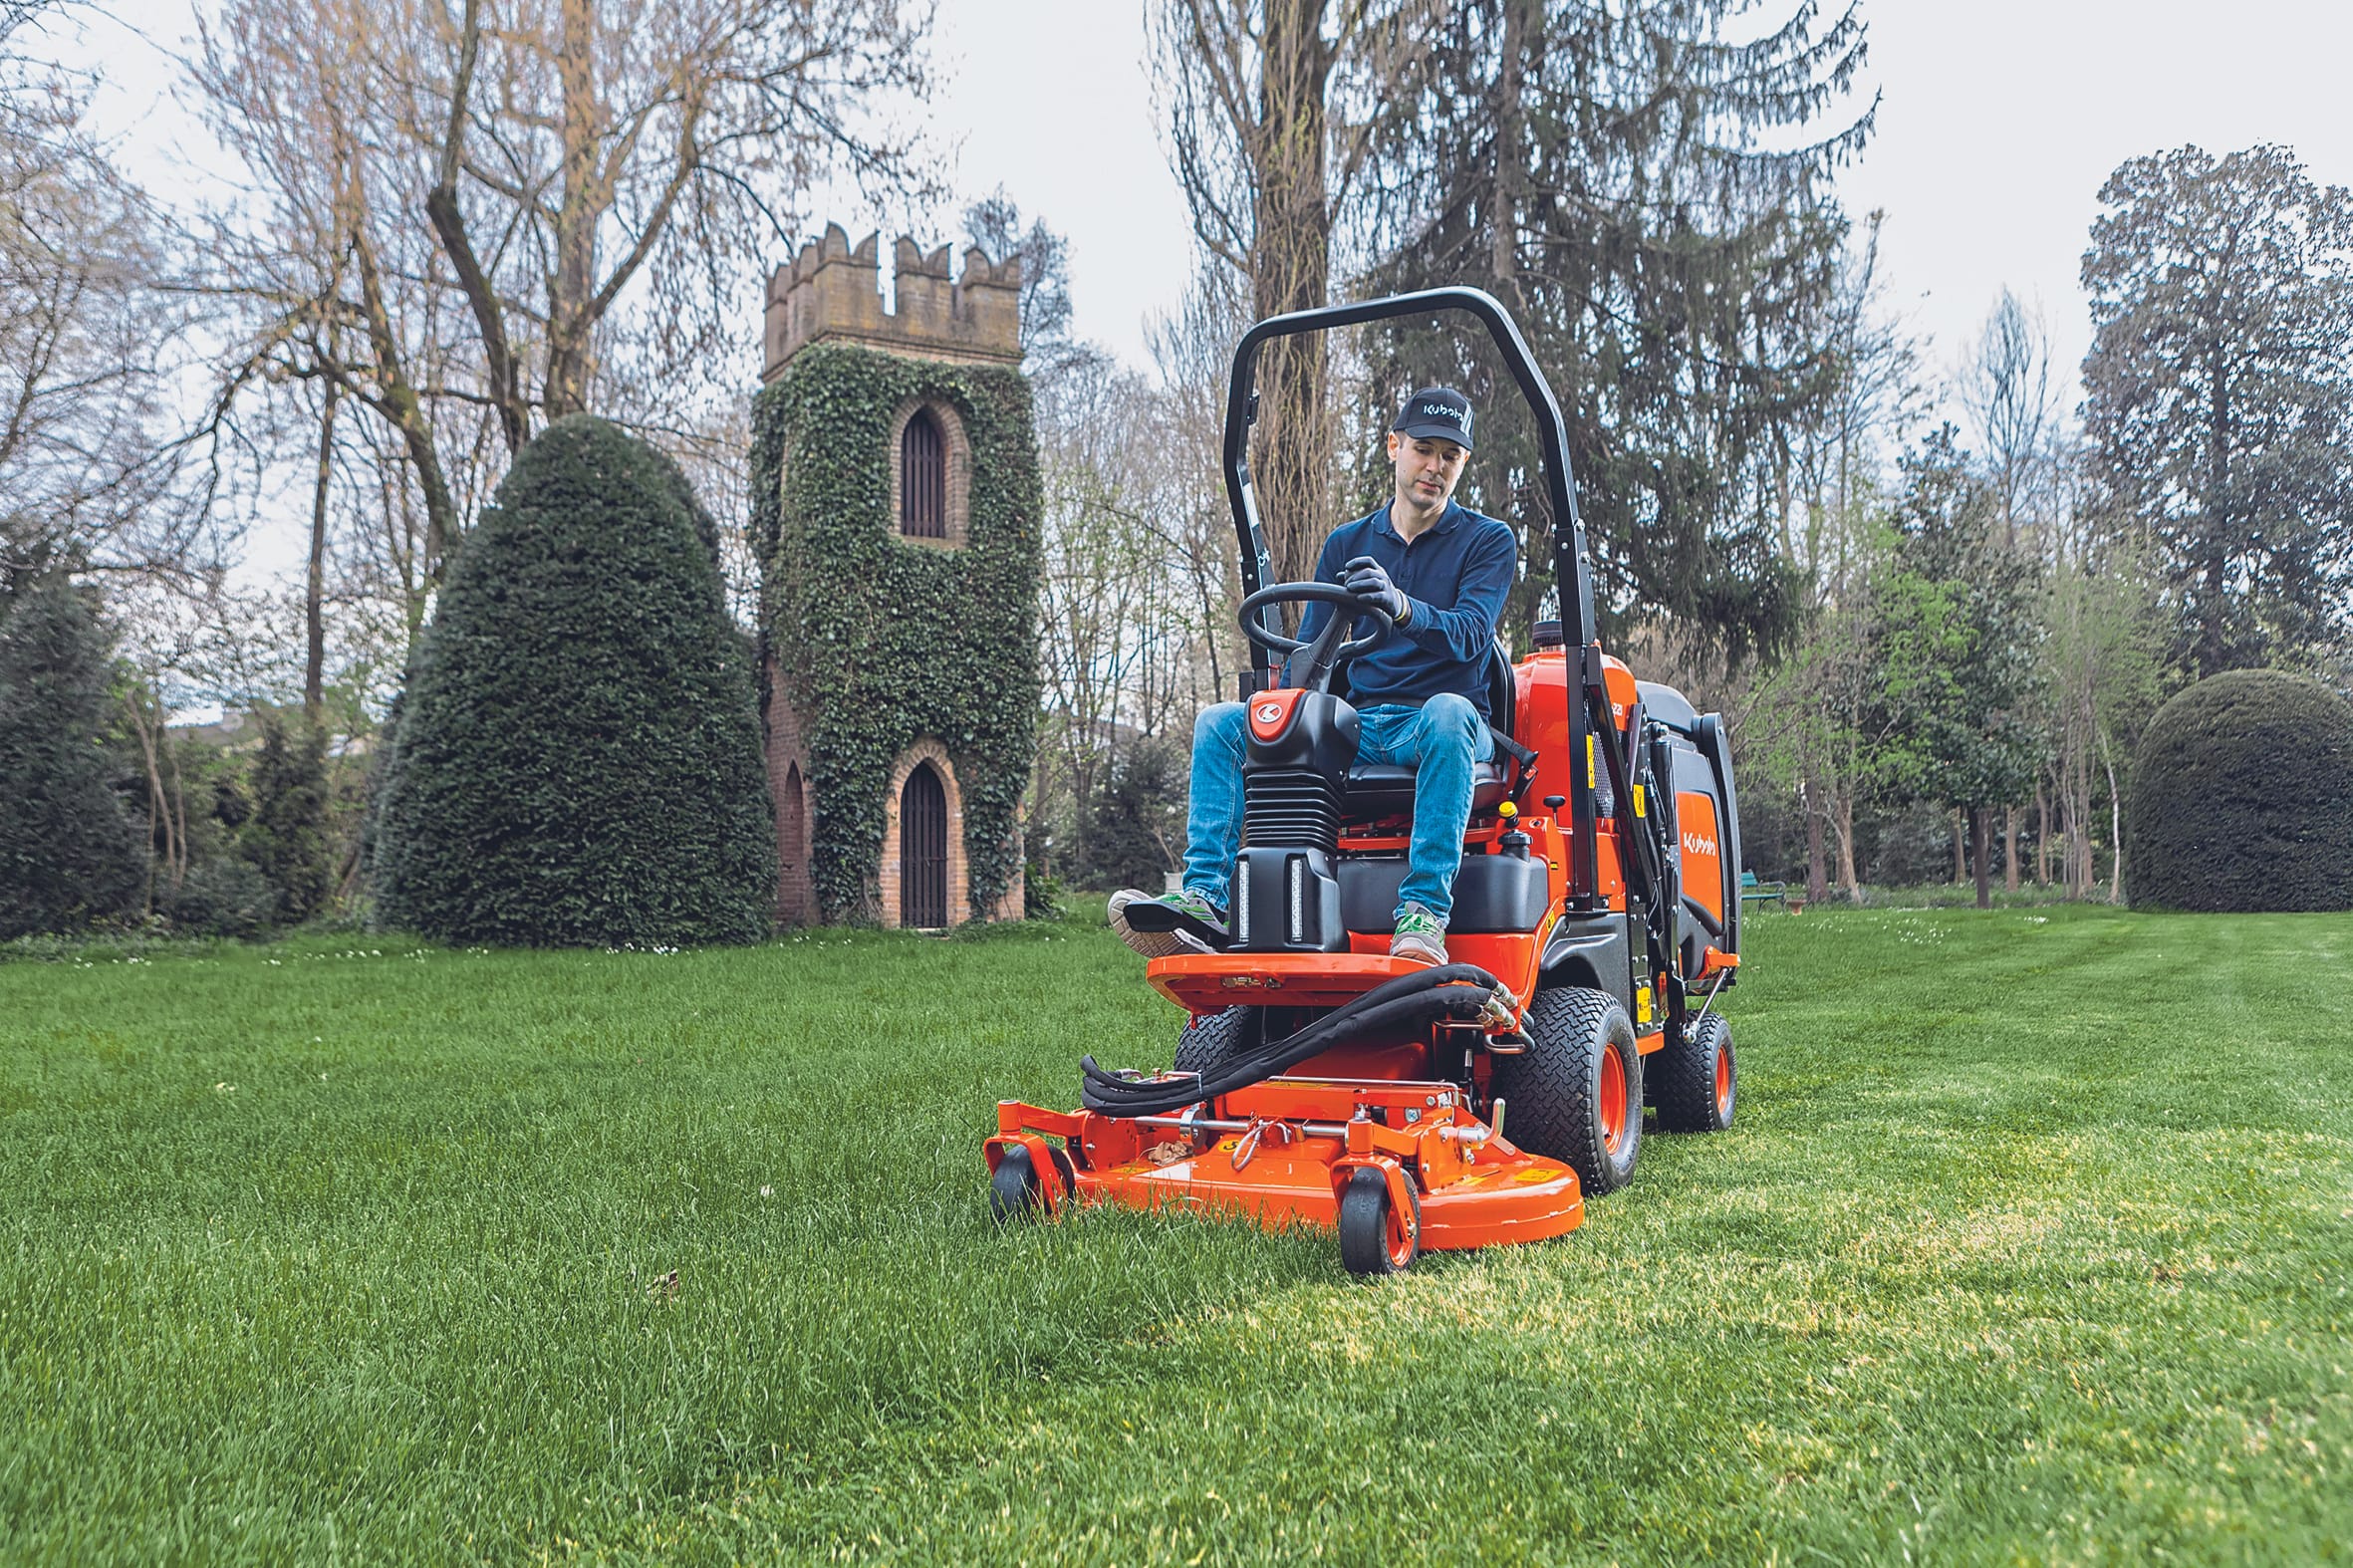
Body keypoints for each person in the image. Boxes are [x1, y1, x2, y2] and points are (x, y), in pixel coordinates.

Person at [1111, 385, 1516, 966]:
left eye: (1449, 456)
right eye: (1424, 449)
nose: (1434, 466)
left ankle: (1423, 914)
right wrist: (1285, 701)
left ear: (1462, 465)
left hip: (1438, 723)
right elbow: (1311, 656)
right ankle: (1203, 900)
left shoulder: (1487, 540)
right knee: (1222, 723)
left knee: (1449, 711)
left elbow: (1472, 635)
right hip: (1359, 725)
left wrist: (1400, 607)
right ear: (1393, 446)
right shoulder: (1347, 543)